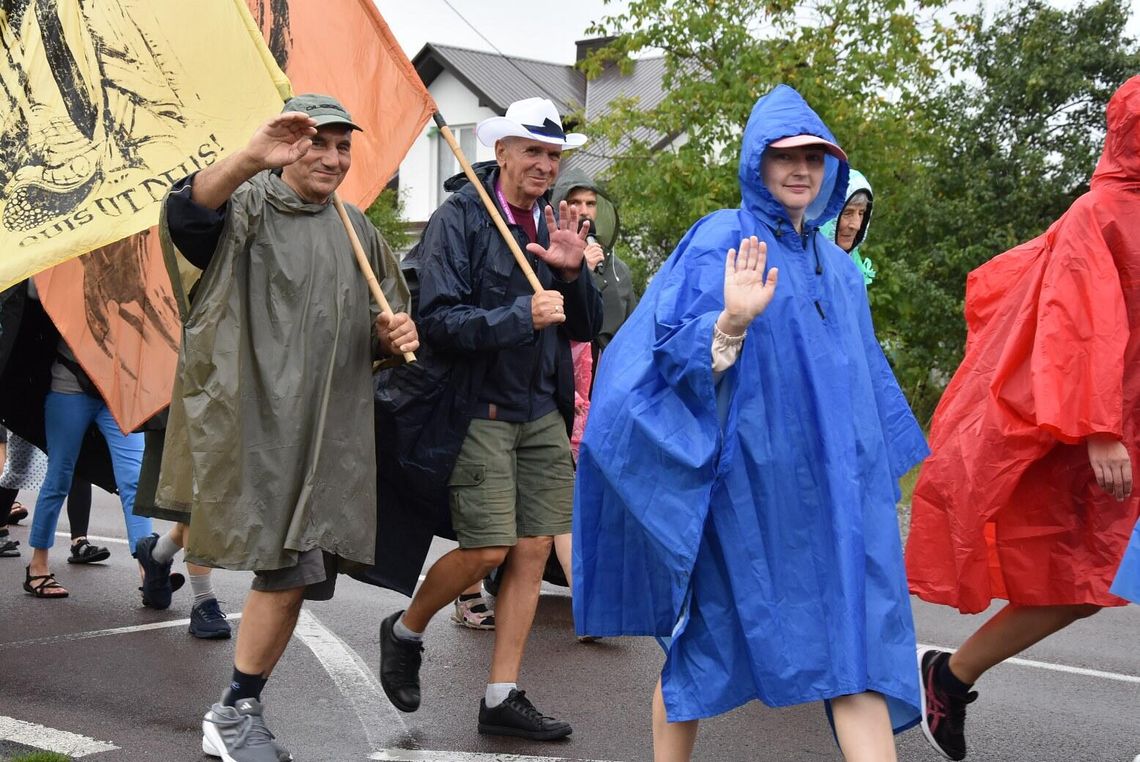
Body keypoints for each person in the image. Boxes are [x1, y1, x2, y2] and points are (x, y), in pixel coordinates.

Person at [573, 84, 929, 762]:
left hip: (834, 502)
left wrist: (871, 483)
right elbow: (664, 358)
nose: (802, 169)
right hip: (745, 495)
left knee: (855, 649)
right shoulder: (721, 241)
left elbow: (862, 387)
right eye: (785, 155)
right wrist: (729, 322)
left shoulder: (840, 269)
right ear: (756, 163)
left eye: (815, 157)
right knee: (704, 649)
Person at [155, 93, 416, 762]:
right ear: (286, 145)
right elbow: (185, 216)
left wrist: (393, 334)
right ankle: (235, 710)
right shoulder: (243, 208)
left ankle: (238, 705)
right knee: (287, 569)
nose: (331, 157)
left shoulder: (357, 229)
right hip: (258, 426)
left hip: (330, 432)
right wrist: (249, 157)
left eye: (341, 146)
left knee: (297, 572)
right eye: (315, 143)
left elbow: (380, 329)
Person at [905, 75, 1140, 762]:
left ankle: (950, 674)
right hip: (1107, 432)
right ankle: (950, 674)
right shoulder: (1100, 213)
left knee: (1095, 585)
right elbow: (1079, 324)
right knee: (1087, 585)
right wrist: (1099, 427)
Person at [376, 96, 602, 741]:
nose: (544, 164)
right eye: (532, 150)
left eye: (553, 154)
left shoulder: (554, 223)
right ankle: (405, 628)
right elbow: (436, 321)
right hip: (479, 411)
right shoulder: (461, 218)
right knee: (486, 551)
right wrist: (515, 317)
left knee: (532, 552)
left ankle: (501, 694)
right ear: (500, 151)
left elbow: (583, 326)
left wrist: (571, 275)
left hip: (541, 413)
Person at [23, 321, 153, 599]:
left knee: (136, 481)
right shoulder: (60, 278)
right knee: (59, 478)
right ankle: (38, 566)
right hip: (69, 387)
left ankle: (150, 572)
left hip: (118, 391)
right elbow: (33, 290)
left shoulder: (128, 278)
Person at [550, 168, 639, 357]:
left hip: (609, 374)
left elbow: (634, 332)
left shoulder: (618, 269)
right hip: (564, 373)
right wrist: (582, 274)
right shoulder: (547, 260)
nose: (584, 211)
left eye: (590, 204)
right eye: (575, 202)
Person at [820, 169, 875, 285]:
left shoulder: (856, 267)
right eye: (847, 213)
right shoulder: (807, 267)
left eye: (861, 213)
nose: (856, 225)